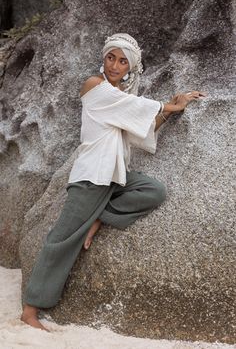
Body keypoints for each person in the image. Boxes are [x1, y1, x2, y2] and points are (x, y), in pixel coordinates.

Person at [21, 33, 206, 331]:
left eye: (122, 61)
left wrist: (171, 108)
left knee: (153, 191)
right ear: (104, 58)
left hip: (115, 176)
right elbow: (135, 108)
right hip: (92, 177)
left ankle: (98, 219)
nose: (115, 65)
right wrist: (170, 105)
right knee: (61, 239)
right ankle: (30, 310)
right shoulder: (95, 86)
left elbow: (140, 128)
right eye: (111, 58)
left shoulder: (124, 100)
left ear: (130, 66)